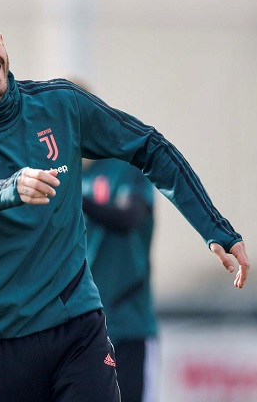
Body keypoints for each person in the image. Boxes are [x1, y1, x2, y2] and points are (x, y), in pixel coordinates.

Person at [0, 6, 249, 402]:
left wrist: (214, 228)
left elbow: (149, 147)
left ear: (2, 42)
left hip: (76, 323)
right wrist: (10, 187)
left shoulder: (61, 103)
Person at [82, 157, 159, 402]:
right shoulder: (64, 174)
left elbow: (129, 217)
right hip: (78, 327)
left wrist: (77, 200)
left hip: (126, 324)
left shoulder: (126, 169)